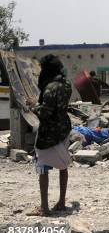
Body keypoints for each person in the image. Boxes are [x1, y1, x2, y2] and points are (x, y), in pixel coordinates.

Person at [27, 55, 78, 216]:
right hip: (63, 128)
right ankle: (62, 202)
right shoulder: (66, 84)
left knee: (42, 167)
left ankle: (44, 208)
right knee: (63, 165)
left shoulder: (50, 88)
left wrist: (33, 105)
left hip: (49, 132)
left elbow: (45, 113)